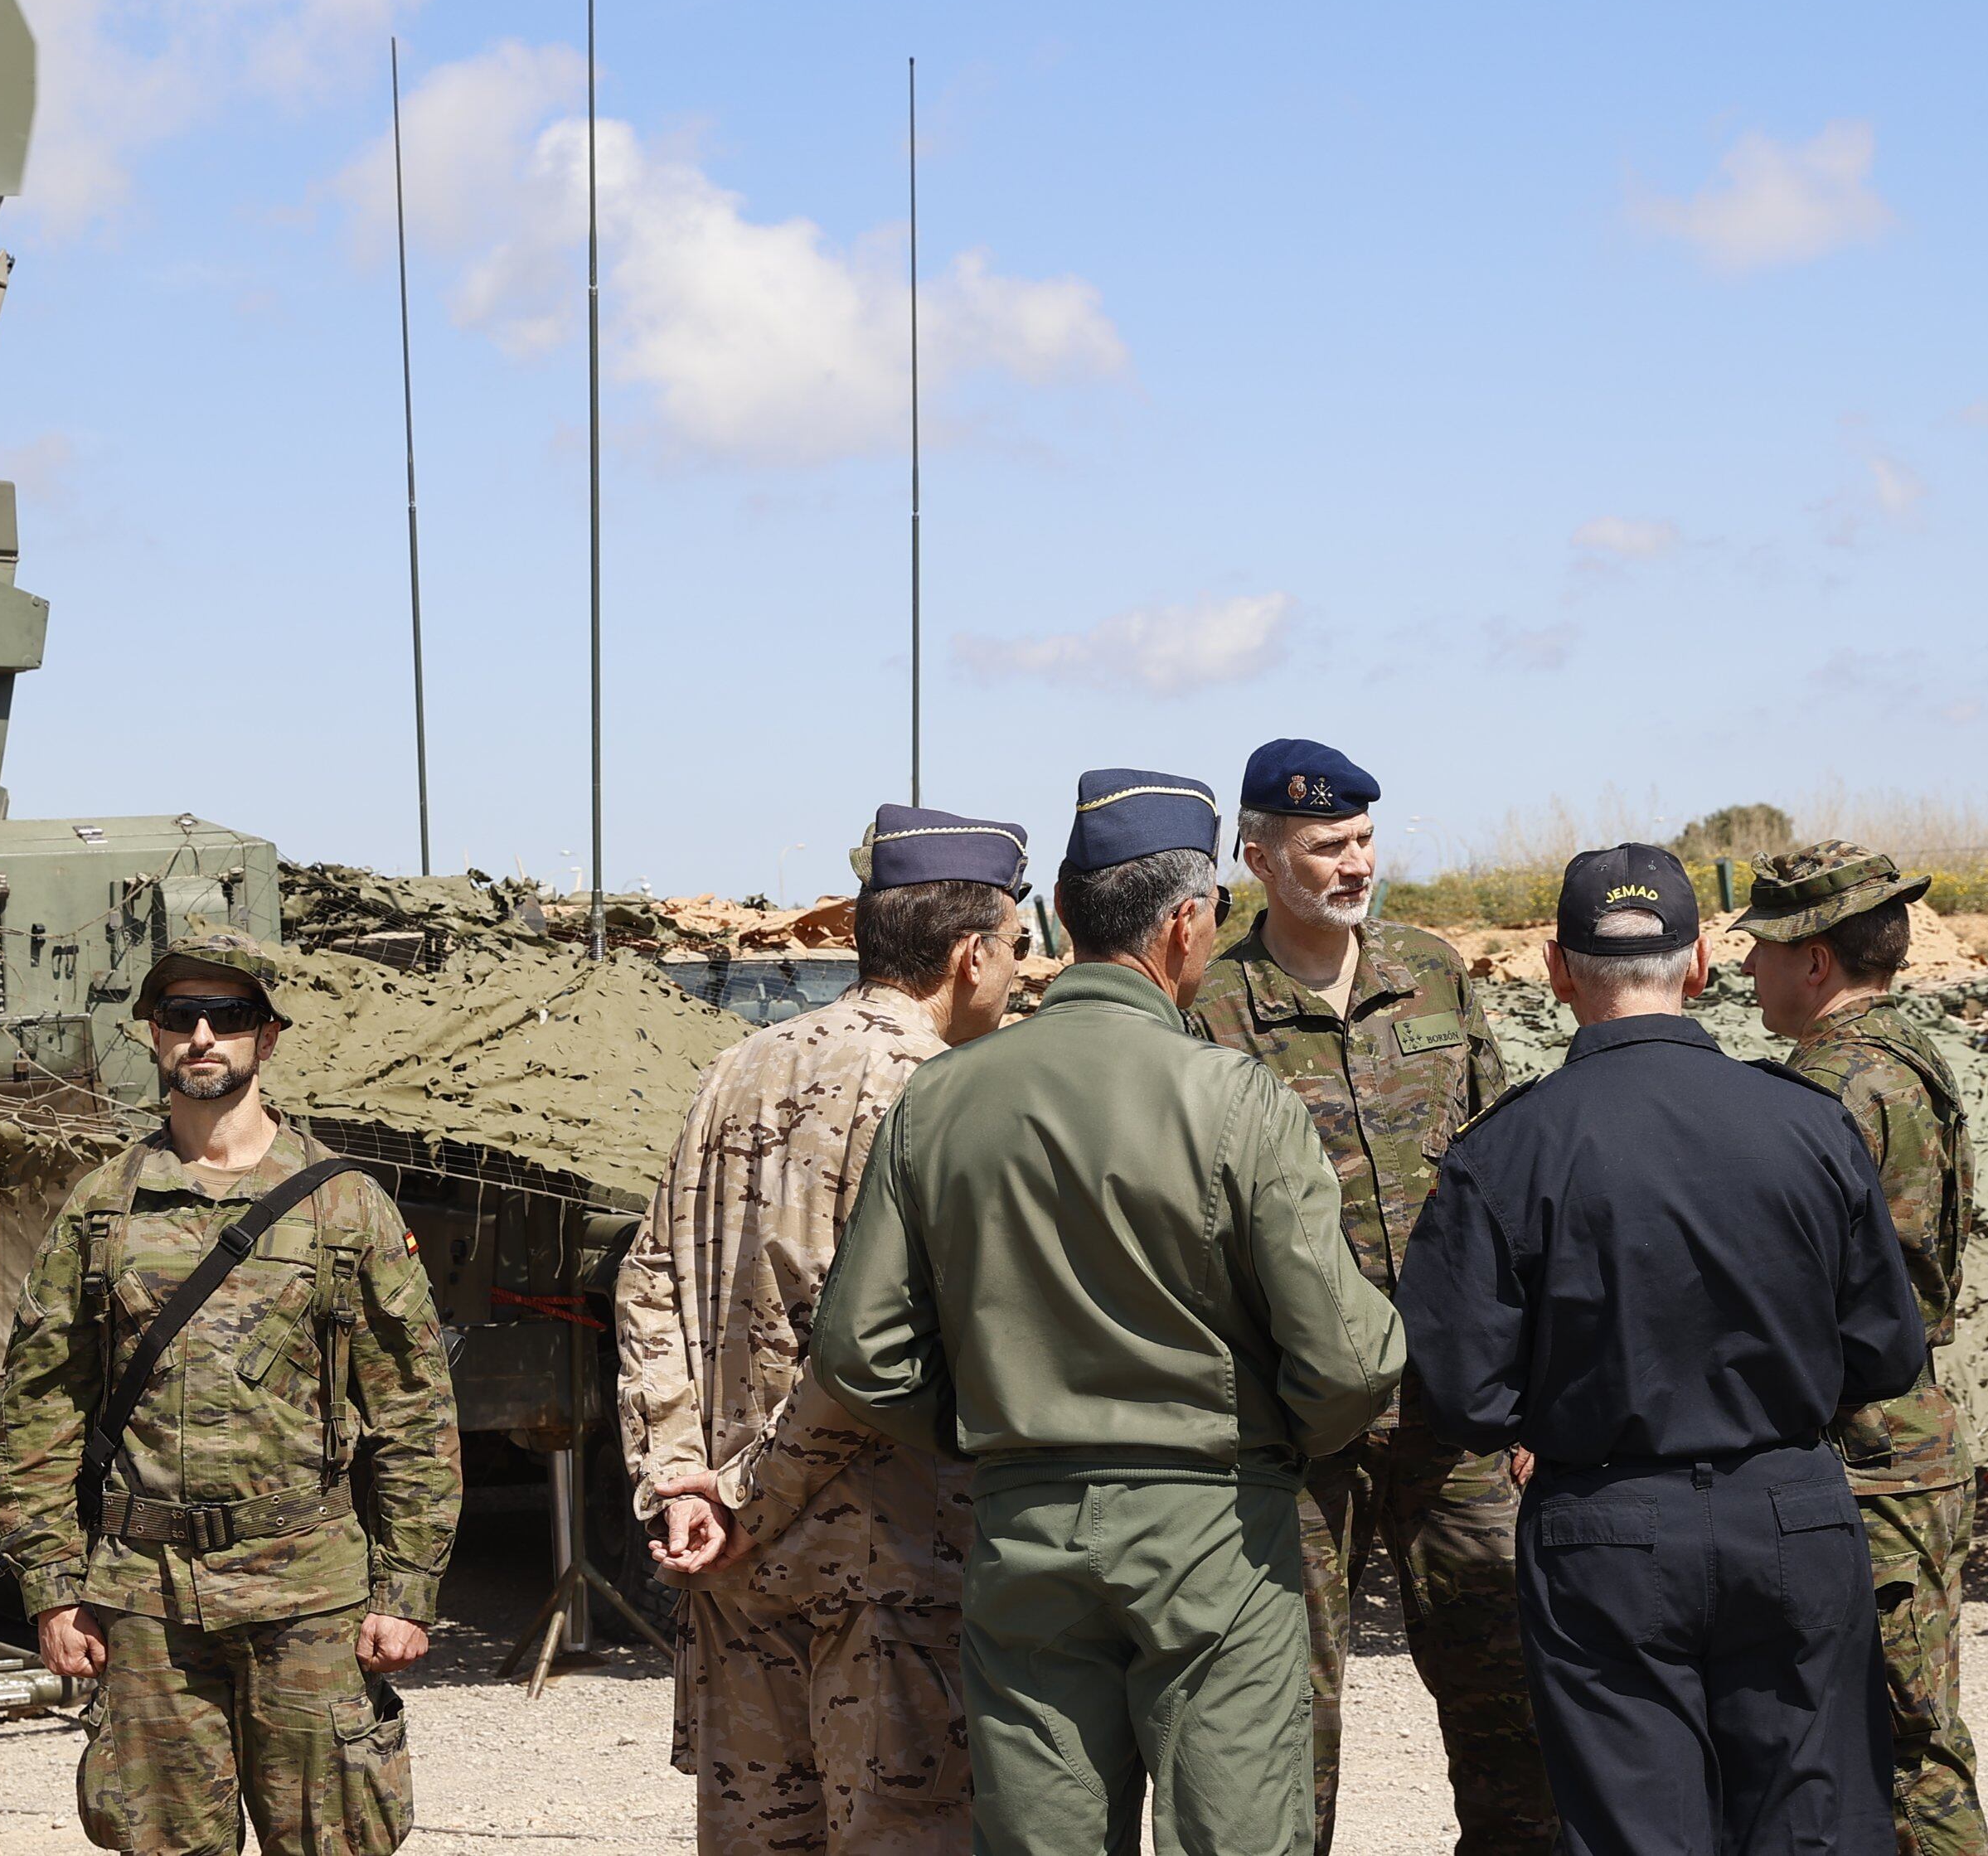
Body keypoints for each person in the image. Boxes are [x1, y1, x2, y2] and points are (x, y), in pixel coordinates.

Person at [812, 767, 1404, 1856]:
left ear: (1066, 912)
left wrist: (988, 1428)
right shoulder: (1234, 1096)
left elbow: (858, 1350)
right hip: (1217, 1525)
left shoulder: (941, 1095)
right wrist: (1281, 1437)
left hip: (1026, 1524)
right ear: (1186, 923)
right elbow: (1352, 1356)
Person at [1398, 844, 1925, 1856]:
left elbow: (1462, 1387)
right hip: (1789, 1506)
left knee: (1638, 1834)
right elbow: (1886, 1351)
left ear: (1556, 969)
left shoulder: (1504, 1149)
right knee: (1816, 1826)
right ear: (1698, 967)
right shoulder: (1806, 1125)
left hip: (1605, 1524)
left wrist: (1545, 1412)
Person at [613, 802, 1030, 1855]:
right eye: (1018, 949)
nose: (1023, 974)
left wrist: (678, 1484)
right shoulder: (939, 1095)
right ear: (969, 953)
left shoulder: (736, 1068)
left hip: (732, 1579)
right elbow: (875, 1345)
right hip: (890, 1581)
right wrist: (749, 1491)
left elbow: (647, 1282)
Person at [0, 930, 462, 1856]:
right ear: (152, 1035)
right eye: (180, 1015)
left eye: (230, 1015)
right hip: (145, 1601)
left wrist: (407, 1590)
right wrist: (51, 1587)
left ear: (267, 1037)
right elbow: (40, 1407)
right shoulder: (102, 1209)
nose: (203, 1034)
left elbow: (415, 1410)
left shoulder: (345, 1205)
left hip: (309, 1595)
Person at [1192, 738, 1551, 1853]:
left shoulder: (1430, 969)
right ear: (1258, 855)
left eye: (1363, 839)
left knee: (1511, 1706)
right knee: (1286, 1719)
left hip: (1455, 1410)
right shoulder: (1206, 1005)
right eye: (1324, 845)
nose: (1354, 864)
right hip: (1297, 1423)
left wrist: (1531, 1377)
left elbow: (1505, 1176)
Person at [1734, 842, 1988, 1856]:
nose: (1747, 970)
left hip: (1859, 1453)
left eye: (1761, 949)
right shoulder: (1907, 1058)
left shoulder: (1824, 1093)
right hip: (1903, 1437)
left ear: (1814, 961)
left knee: (1901, 1746)